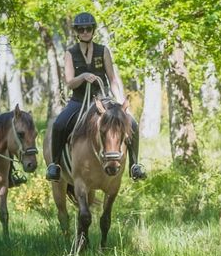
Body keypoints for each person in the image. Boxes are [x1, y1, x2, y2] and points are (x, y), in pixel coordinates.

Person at [45, 12, 147, 182]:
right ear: (77, 32)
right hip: (78, 101)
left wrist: (120, 100)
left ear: (93, 30)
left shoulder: (103, 51)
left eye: (88, 28)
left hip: (104, 100)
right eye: (81, 29)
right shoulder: (70, 53)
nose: (85, 32)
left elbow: (112, 79)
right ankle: (55, 166)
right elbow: (70, 82)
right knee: (59, 124)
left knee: (132, 123)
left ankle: (134, 165)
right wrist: (83, 76)